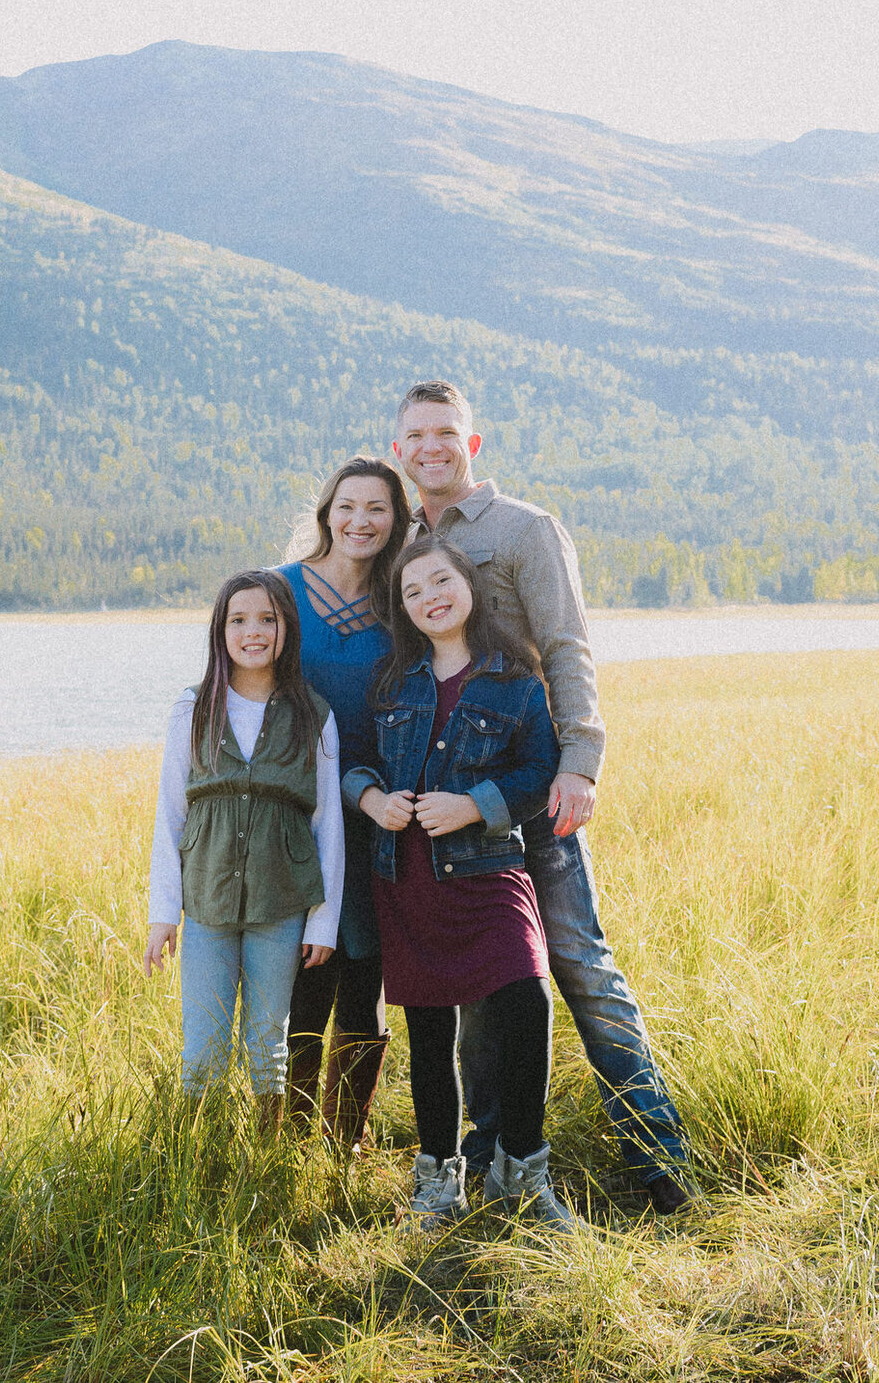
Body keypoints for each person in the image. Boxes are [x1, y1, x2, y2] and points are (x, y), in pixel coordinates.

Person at [391, 380, 697, 1214]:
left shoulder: (526, 529)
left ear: (472, 443)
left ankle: (657, 1153)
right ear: (398, 450)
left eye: (445, 433)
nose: (431, 447)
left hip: (535, 785)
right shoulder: (401, 545)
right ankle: (494, 1160)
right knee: (485, 983)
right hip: (448, 816)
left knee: (579, 963)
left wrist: (583, 762)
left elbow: (568, 647)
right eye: (415, 435)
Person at [343, 539, 578, 1231]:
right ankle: (439, 1178)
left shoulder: (516, 679)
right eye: (413, 591)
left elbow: (540, 771)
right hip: (408, 878)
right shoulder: (391, 680)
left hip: (489, 872)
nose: (430, 597)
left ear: (468, 583)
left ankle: (522, 1172)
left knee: (527, 1000)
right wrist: (372, 801)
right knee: (428, 1030)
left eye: (440, 580)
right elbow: (356, 760)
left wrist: (475, 803)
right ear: (403, 608)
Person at [144, 569, 345, 1121]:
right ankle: (193, 1157)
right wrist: (164, 913)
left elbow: (328, 824)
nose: (252, 631)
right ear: (220, 629)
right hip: (206, 903)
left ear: (287, 630)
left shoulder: (314, 715)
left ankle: (266, 1156)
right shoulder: (193, 708)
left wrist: (322, 922)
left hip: (281, 906)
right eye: (238, 619)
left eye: (267, 619)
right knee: (202, 1051)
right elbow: (170, 815)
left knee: (268, 1047)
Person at [278, 457, 412, 1146]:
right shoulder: (281, 590)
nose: (361, 521)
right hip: (292, 815)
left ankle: (343, 1143)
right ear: (328, 509)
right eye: (349, 506)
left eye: (378, 509)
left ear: (396, 522)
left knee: (365, 974)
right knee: (303, 974)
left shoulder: (402, 603)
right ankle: (288, 1140)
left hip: (374, 813)